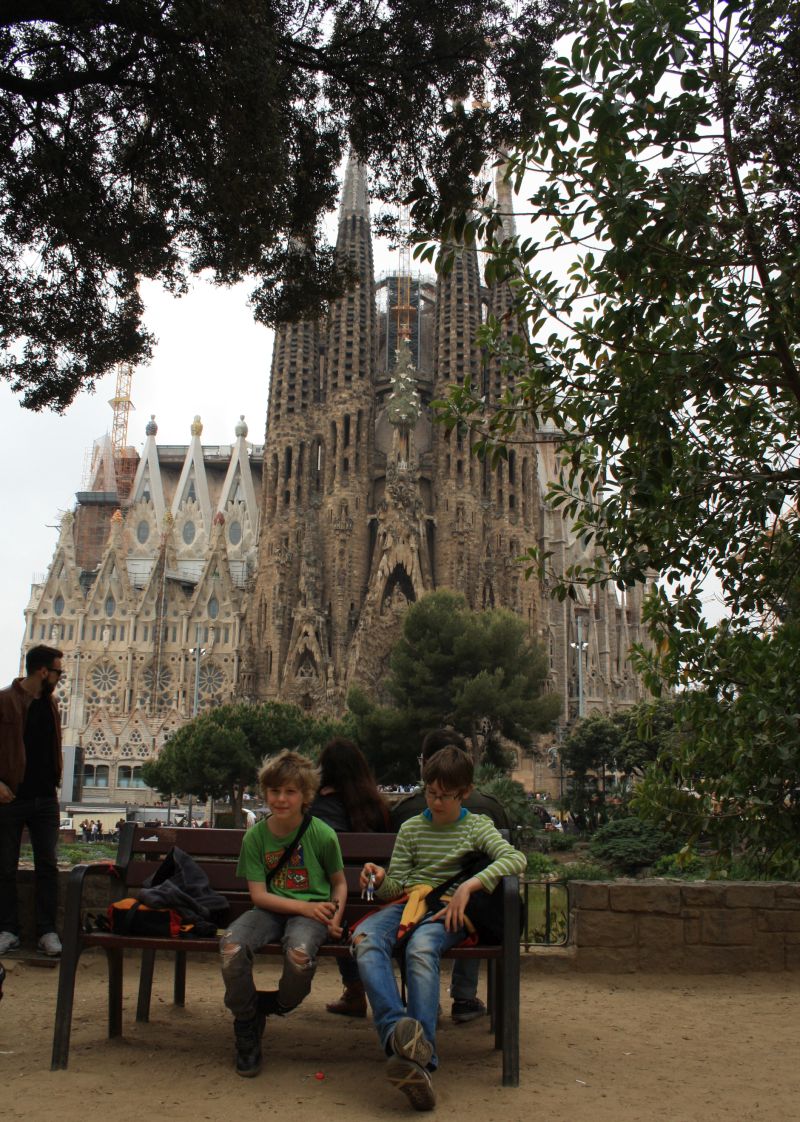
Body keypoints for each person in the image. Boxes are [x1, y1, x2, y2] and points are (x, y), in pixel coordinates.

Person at [353, 746, 525, 1111]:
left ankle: (420, 1060)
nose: (435, 802)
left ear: (464, 793)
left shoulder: (477, 825)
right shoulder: (414, 827)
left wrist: (469, 886)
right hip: (408, 903)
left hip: (446, 911)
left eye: (445, 796)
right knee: (364, 939)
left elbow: (515, 858)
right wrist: (380, 877)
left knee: (420, 949)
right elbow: (396, 884)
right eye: (430, 793)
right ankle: (403, 1037)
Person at [219, 749, 347, 1078]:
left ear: (306, 796)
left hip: (311, 913)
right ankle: (246, 1026)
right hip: (270, 909)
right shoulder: (256, 836)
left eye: (290, 792)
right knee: (232, 946)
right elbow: (259, 895)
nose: (281, 799)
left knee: (300, 956)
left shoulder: (321, 834)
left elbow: (339, 883)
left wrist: (335, 917)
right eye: (275, 791)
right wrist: (305, 906)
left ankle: (277, 1004)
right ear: (265, 793)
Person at [390, 729, 510, 1024]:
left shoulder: (405, 811)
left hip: (417, 903)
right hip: (469, 913)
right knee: (475, 903)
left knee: (422, 920)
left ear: (426, 763)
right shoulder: (491, 807)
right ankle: (464, 995)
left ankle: (423, 1003)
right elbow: (510, 855)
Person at [309, 737, 389, 1017]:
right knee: (343, 911)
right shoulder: (375, 804)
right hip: (371, 894)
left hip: (334, 902)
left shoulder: (317, 806)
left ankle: (355, 989)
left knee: (333, 908)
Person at [0, 645, 64, 957]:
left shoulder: (51, 705)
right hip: (11, 797)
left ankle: (46, 931)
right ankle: (8, 929)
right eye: (57, 672)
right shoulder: (4, 701)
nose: (59, 678)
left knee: (48, 866)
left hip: (46, 799)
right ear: (42, 671)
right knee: (5, 867)